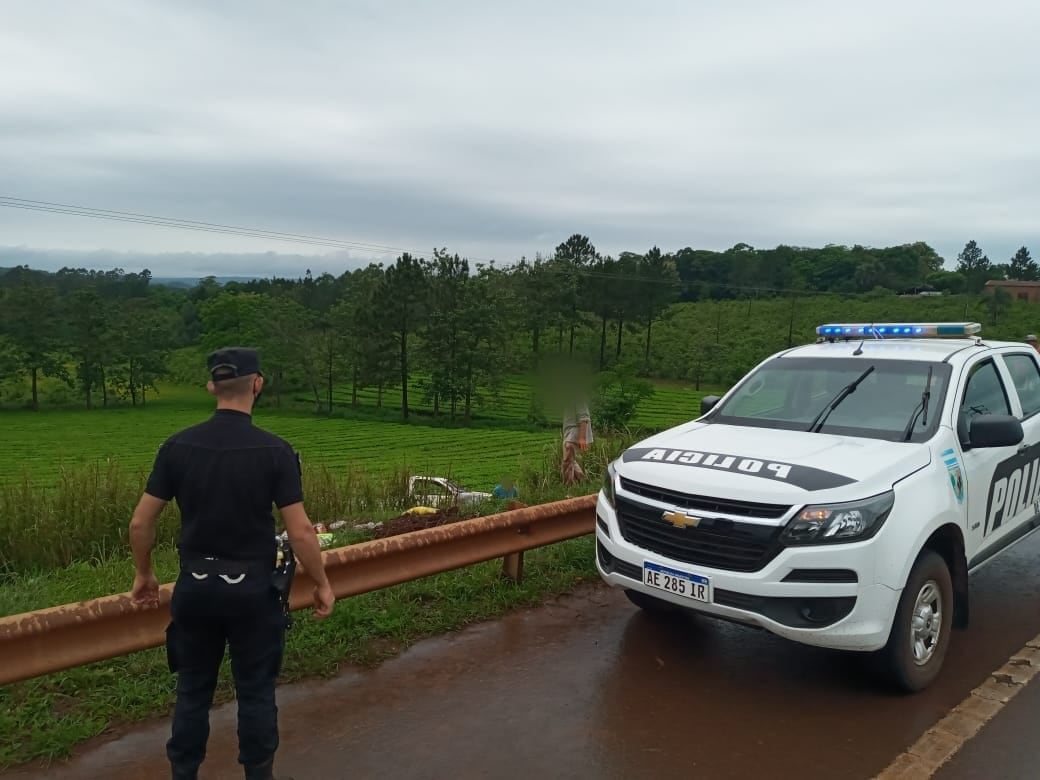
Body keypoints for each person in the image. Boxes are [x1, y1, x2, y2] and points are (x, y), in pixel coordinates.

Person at [128, 347, 335, 780]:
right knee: (256, 693)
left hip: (195, 588)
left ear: (211, 387)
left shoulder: (177, 446)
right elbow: (299, 532)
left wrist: (144, 573)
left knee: (191, 693)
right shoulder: (276, 452)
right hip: (253, 593)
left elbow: (140, 521)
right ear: (257, 384)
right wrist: (321, 581)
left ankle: (183, 773)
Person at [562, 398, 593, 485]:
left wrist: (582, 438)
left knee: (567, 461)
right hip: (569, 434)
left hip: (574, 434)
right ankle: (583, 482)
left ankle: (568, 487)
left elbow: (584, 418)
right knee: (571, 461)